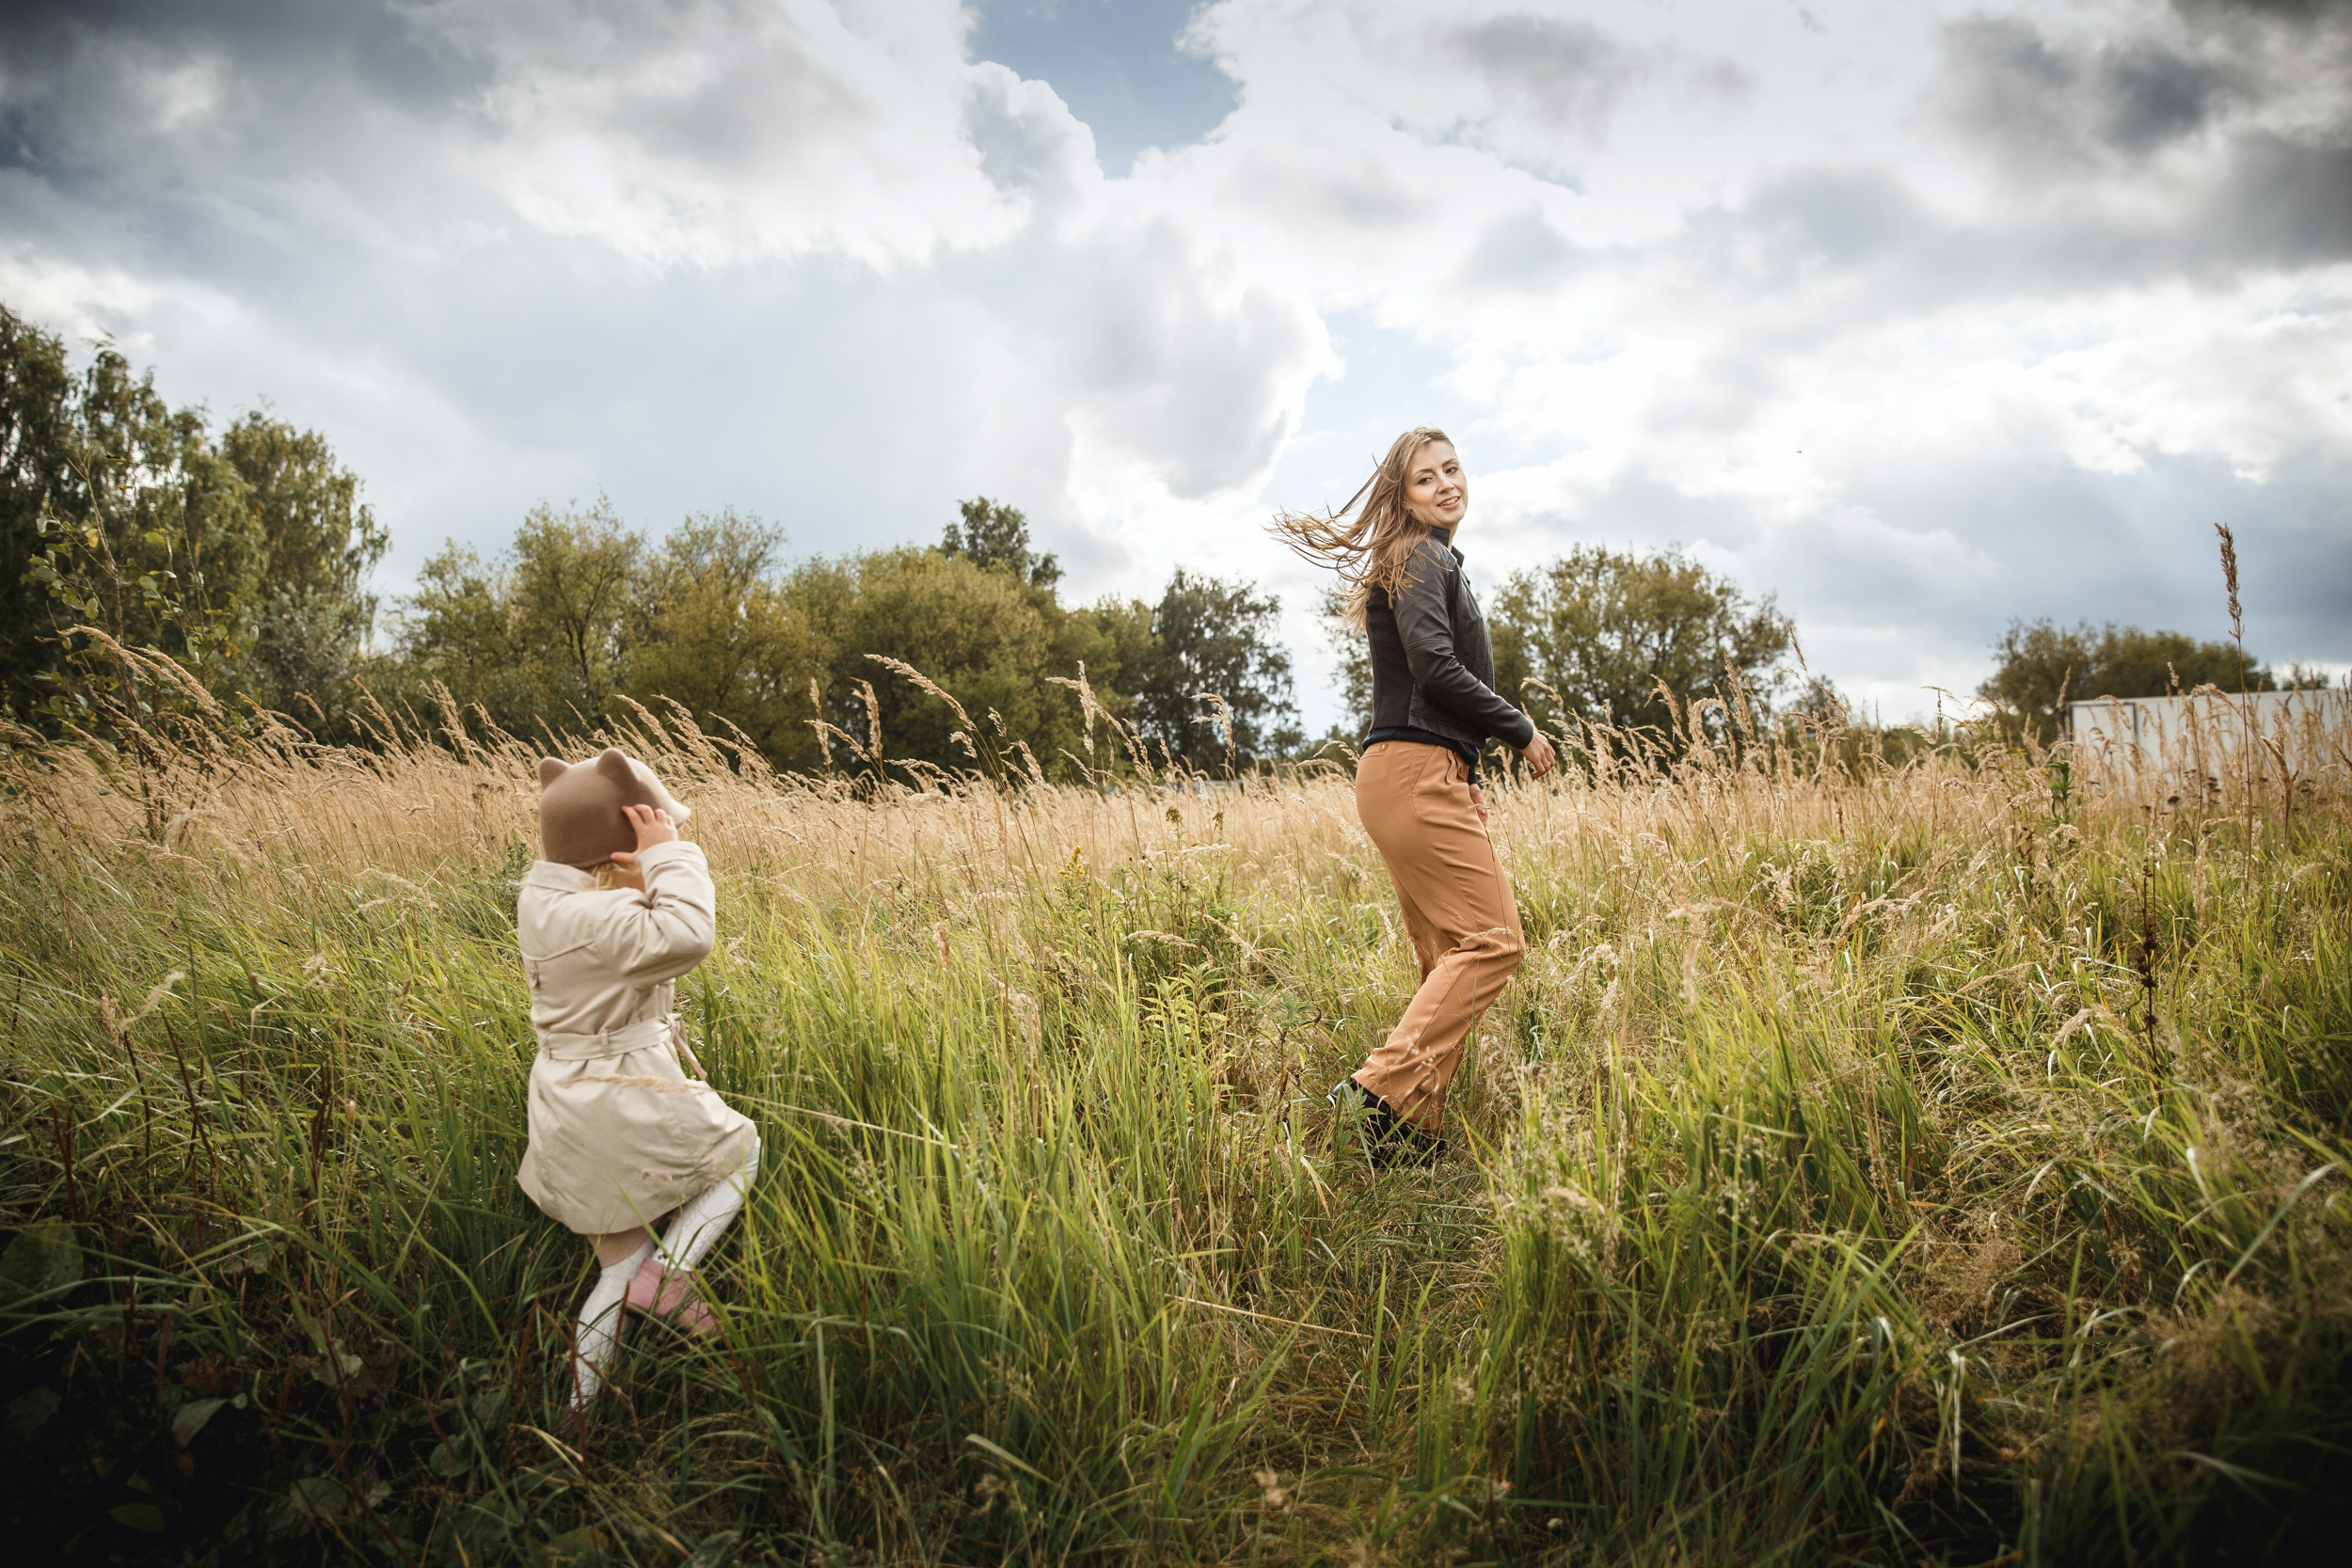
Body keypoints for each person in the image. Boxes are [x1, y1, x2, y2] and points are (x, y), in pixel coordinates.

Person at [1273, 427, 1557, 1164]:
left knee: (1444, 957)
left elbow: (1433, 684)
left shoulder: (1425, 561)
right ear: (1404, 497)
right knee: (1494, 942)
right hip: (1411, 768)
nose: (1446, 484)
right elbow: (1433, 667)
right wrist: (1520, 728)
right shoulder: (1417, 556)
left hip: (1414, 771)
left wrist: (1470, 774)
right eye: (1426, 478)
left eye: (1453, 469)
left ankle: (1406, 1134)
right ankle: (1373, 1093)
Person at [516, 749, 761, 1413]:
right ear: (616, 846)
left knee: (615, 1271)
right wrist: (668, 855)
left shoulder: (547, 901)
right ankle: (673, 1272)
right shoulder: (602, 921)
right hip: (619, 1091)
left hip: (567, 1098)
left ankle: (579, 1414)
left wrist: (634, 867)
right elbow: (687, 934)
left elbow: (613, 931)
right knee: (742, 1150)